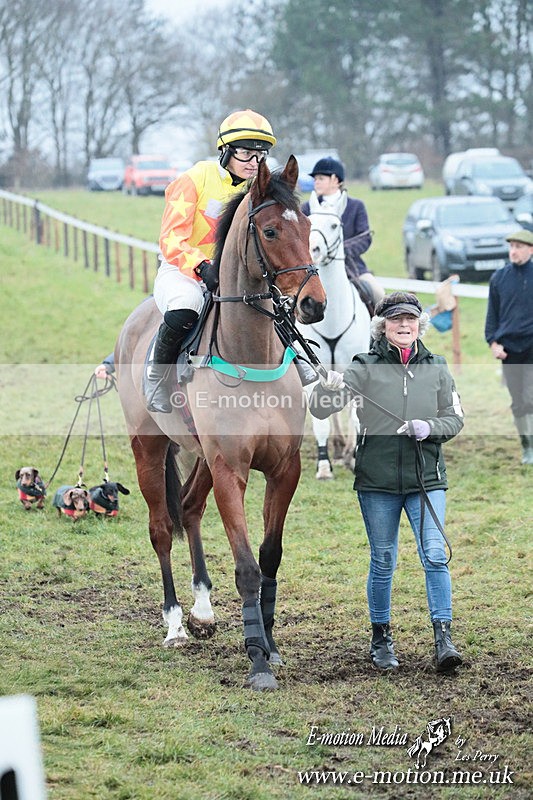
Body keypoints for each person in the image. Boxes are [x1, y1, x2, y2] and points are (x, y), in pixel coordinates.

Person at [310, 291, 464, 672]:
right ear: (384, 326)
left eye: (410, 319)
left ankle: (443, 637)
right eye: (396, 320)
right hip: (377, 481)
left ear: (419, 324)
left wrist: (428, 427)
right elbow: (321, 408)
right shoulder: (365, 365)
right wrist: (328, 388)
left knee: (433, 554)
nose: (404, 325)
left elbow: (455, 418)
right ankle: (381, 639)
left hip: (426, 479)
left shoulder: (437, 366)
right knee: (383, 559)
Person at [146, 109, 277, 413]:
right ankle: (158, 377)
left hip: (236, 274)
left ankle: (298, 363)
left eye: (260, 155)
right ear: (226, 151)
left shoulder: (258, 188)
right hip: (183, 271)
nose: (253, 162)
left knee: (279, 303)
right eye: (246, 153)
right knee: (185, 307)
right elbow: (170, 240)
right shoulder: (193, 179)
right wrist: (203, 267)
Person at [301, 156, 384, 307]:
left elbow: (364, 238)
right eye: (315, 179)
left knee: (379, 295)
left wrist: (339, 250)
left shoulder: (356, 206)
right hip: (313, 267)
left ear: (335, 180)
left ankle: (379, 330)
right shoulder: (306, 208)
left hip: (352, 267)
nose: (316, 182)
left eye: (320, 178)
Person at [484, 229, 533, 465]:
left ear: (531, 249)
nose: (514, 251)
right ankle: (527, 446)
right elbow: (492, 316)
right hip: (509, 349)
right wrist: (493, 342)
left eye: (519, 246)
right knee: (518, 401)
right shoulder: (499, 278)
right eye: (511, 246)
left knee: (530, 395)